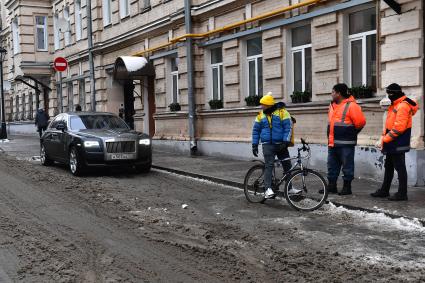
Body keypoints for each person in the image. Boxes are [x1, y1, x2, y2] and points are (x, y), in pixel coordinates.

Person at [371, 83, 418, 201]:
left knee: (400, 167)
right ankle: (384, 190)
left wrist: (384, 139)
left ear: (396, 93)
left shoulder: (403, 106)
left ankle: (402, 193)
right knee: (389, 166)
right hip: (392, 141)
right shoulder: (395, 104)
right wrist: (383, 138)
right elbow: (389, 125)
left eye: (390, 93)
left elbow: (399, 128)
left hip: (398, 142)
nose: (389, 96)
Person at [252, 92, 299, 199]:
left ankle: (290, 188)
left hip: (281, 144)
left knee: (287, 165)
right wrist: (254, 144)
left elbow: (288, 127)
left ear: (268, 105)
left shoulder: (282, 113)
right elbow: (255, 131)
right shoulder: (260, 115)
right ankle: (267, 189)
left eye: (263, 104)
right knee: (269, 166)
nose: (261, 106)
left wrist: (286, 141)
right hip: (267, 145)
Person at [327, 83, 366, 195]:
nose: (331, 94)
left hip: (346, 143)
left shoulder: (352, 106)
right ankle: (331, 186)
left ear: (338, 93)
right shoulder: (332, 105)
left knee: (347, 166)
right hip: (332, 142)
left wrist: (351, 134)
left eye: (333, 92)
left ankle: (347, 188)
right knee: (331, 166)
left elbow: (361, 122)